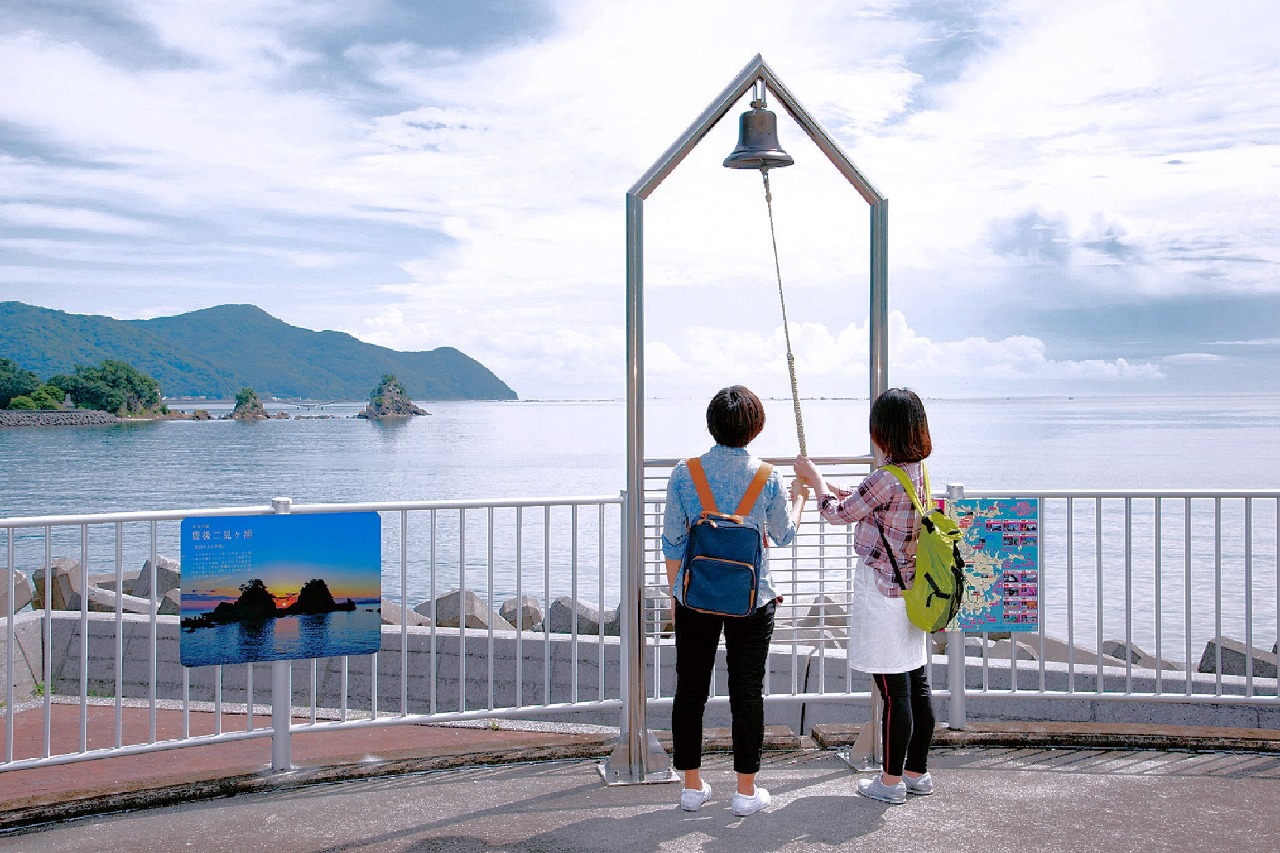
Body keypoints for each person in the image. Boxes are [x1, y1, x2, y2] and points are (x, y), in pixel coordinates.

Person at [661, 385, 809, 816]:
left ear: (711, 424)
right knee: (747, 691)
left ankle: (691, 786)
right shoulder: (767, 477)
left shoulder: (684, 473)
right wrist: (799, 496)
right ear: (755, 427)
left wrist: (677, 593)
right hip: (752, 598)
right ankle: (745, 792)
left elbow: (672, 541)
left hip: (696, 596)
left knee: (690, 689)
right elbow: (783, 535)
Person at [793, 387, 936, 805]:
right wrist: (829, 484)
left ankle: (890, 783)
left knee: (894, 691)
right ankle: (916, 772)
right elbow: (865, 502)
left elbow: (837, 514)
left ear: (883, 431)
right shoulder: (915, 472)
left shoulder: (885, 478)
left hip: (883, 593)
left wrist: (814, 478)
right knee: (915, 682)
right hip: (911, 593)